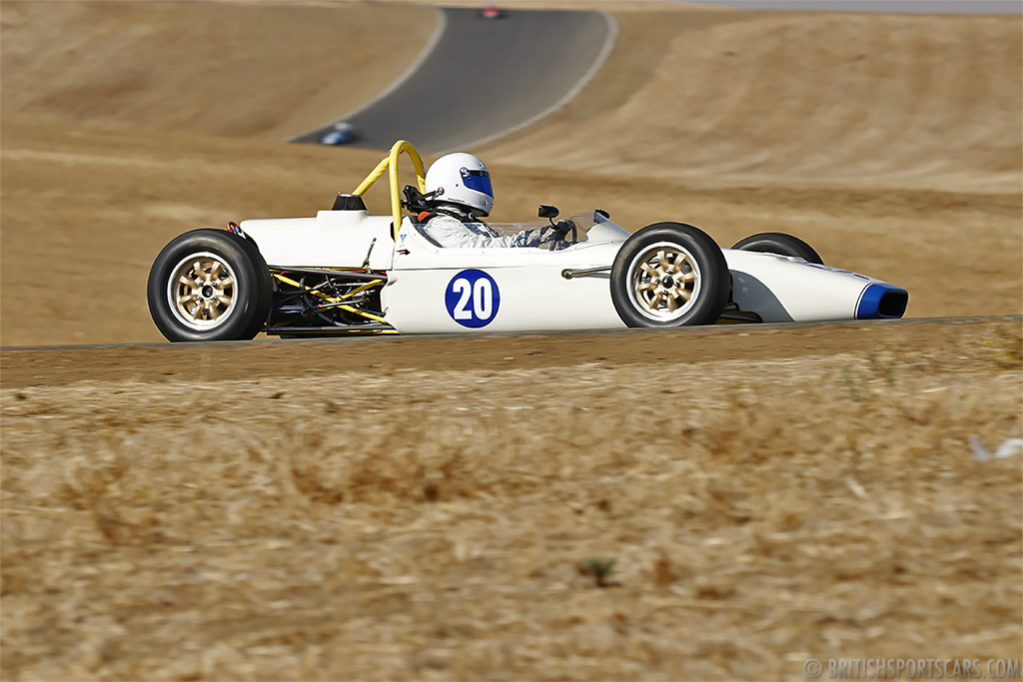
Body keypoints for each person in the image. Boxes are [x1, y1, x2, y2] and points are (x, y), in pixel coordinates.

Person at [416, 152, 566, 248]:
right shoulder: (441, 225)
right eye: (474, 181)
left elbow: (496, 244)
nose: (482, 188)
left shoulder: (466, 222)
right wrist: (530, 238)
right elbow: (485, 250)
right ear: (452, 182)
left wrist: (539, 236)